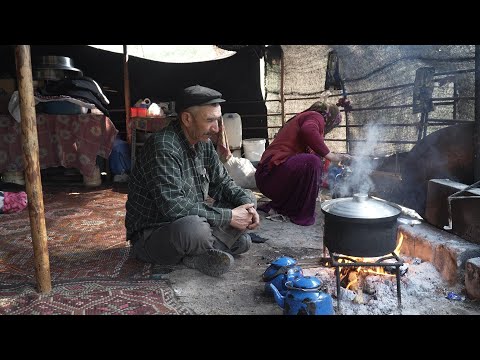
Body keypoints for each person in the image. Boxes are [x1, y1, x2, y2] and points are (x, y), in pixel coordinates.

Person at [125, 85, 260, 277]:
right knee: (195, 231)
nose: (217, 128)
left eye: (218, 120)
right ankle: (213, 245)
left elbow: (223, 183)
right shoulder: (163, 146)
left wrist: (247, 205)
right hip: (156, 231)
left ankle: (198, 254)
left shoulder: (203, 144)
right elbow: (172, 206)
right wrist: (229, 217)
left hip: (191, 219)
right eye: (210, 120)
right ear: (187, 119)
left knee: (247, 200)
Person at [255, 100, 351, 226]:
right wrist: (332, 156)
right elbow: (308, 131)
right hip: (270, 175)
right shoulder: (316, 116)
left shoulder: (304, 118)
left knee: (314, 161)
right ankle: (303, 215)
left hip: (269, 178)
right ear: (330, 119)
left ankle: (288, 206)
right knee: (312, 162)